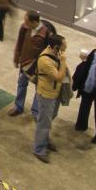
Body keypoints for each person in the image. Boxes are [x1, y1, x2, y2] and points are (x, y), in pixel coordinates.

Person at [31, 34, 67, 163]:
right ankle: (39, 149)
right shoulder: (45, 60)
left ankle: (44, 139)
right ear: (56, 46)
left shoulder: (55, 52)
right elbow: (58, 77)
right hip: (46, 95)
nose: (66, 46)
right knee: (44, 122)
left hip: (54, 93)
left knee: (51, 117)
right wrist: (63, 62)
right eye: (63, 44)